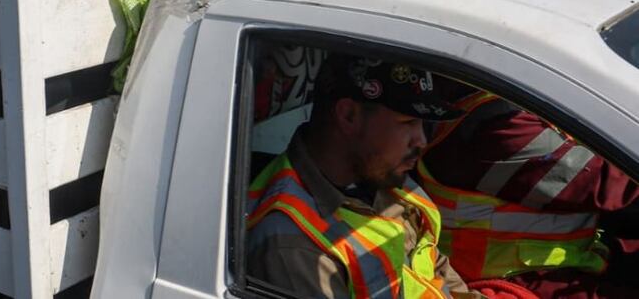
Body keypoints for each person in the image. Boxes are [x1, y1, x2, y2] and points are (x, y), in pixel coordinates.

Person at [247, 56, 478, 298]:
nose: (421, 140)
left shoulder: (379, 172)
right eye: (408, 122)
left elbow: (434, 266)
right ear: (349, 115)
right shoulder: (293, 247)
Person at [417, 84, 639, 299]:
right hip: (511, 280)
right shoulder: (496, 126)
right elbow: (602, 182)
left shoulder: (515, 99)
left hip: (565, 260)